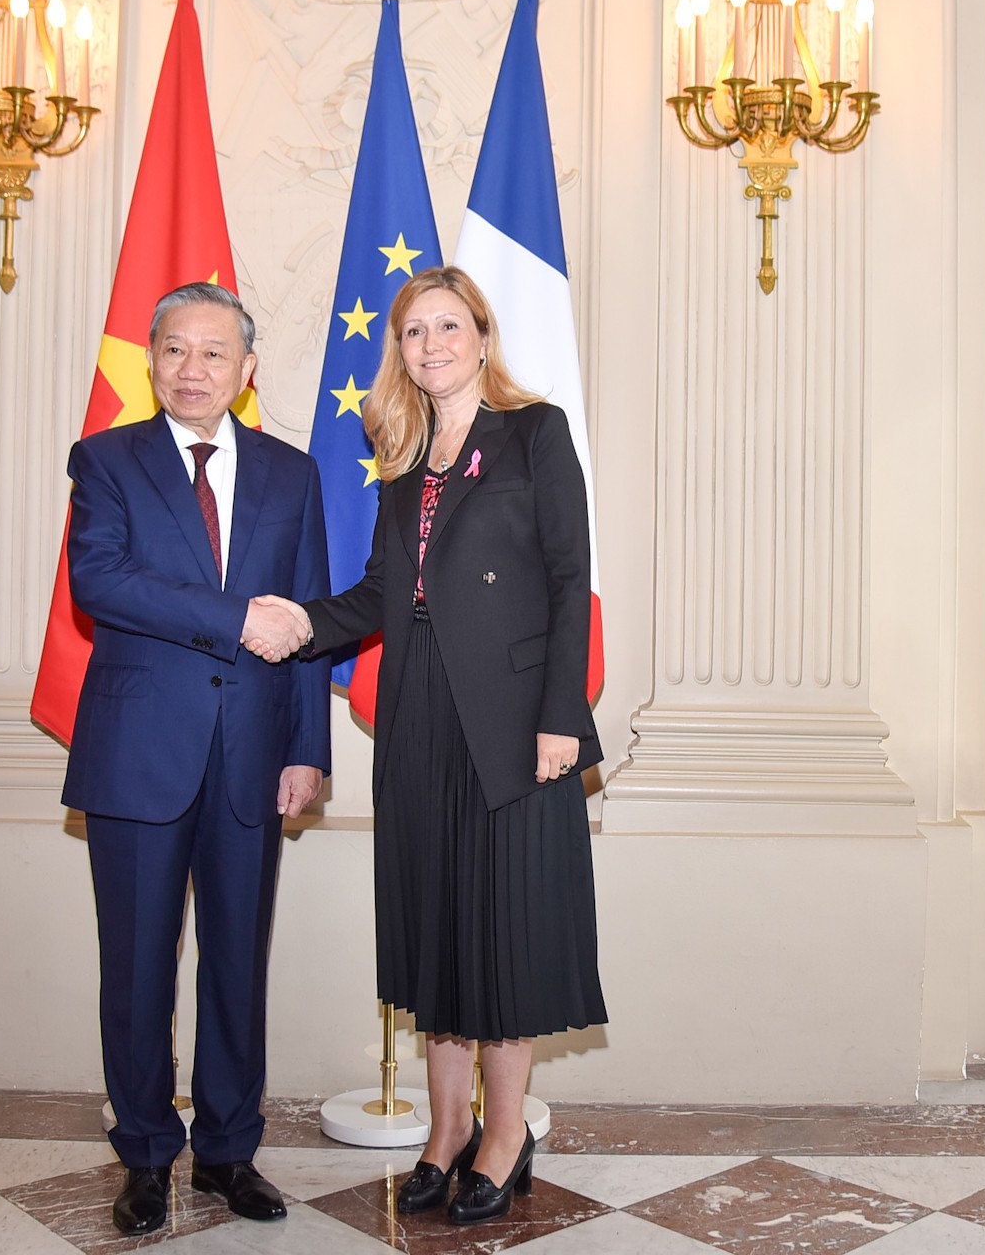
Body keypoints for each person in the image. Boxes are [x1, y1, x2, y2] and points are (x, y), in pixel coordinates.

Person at [251, 265, 605, 1226]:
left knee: (505, 937)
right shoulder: (403, 463)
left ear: (483, 337)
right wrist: (298, 621)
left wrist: (560, 721)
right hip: (419, 726)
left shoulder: (535, 433)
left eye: (448, 326)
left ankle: (504, 1132)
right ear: (399, 353)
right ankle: (445, 1132)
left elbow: (573, 581)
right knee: (438, 932)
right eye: (413, 331)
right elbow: (381, 595)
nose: (430, 344)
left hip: (515, 729)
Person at [61, 282, 329, 1237]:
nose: (193, 370)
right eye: (176, 350)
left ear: (246, 370)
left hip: (255, 755)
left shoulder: (293, 475)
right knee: (135, 965)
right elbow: (101, 581)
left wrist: (307, 748)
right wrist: (232, 618)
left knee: (236, 964)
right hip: (139, 753)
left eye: (215, 353)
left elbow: (304, 621)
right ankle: (141, 1153)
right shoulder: (105, 460)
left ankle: (226, 1151)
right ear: (150, 359)